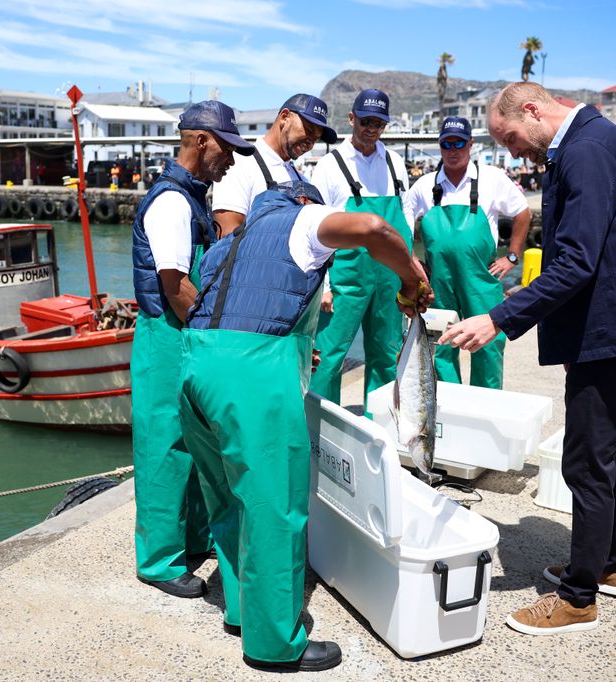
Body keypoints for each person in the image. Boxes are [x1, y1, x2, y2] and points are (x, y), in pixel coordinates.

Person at [440, 82, 616, 635]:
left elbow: (575, 261)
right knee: (599, 453)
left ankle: (578, 599)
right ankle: (610, 565)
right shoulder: (587, 144)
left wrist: (497, 318)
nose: (512, 152)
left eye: (510, 138)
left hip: (615, 327)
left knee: (584, 461)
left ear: (532, 110)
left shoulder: (586, 150)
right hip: (613, 324)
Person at [180, 181, 431, 671]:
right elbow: (375, 228)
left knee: (229, 503)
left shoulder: (232, 240)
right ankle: (274, 644)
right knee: (276, 508)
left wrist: (295, 347)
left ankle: (242, 610)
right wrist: (409, 279)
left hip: (196, 368)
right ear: (305, 203)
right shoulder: (302, 220)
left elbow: (240, 311)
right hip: (251, 379)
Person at [130, 100, 255, 599]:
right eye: (227, 148)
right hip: (167, 335)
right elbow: (176, 285)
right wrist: (216, 335)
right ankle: (159, 562)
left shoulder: (193, 197)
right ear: (201, 141)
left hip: (181, 334)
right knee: (166, 446)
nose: (232, 160)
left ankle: (192, 540)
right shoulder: (172, 202)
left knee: (197, 440)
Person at [402, 116, 531, 389]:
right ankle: (447, 406)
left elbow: (522, 212)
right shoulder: (424, 185)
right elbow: (402, 221)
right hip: (438, 280)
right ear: (440, 146)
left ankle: (488, 407)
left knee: (488, 344)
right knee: (440, 344)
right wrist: (412, 259)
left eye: (459, 142)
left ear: (470, 144)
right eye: (446, 143)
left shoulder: (492, 178)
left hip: (480, 279)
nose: (453, 149)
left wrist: (513, 256)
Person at [309, 88, 411, 411]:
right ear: (351, 118)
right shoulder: (328, 166)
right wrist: (323, 286)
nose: (372, 129)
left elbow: (405, 217)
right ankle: (320, 436)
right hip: (343, 279)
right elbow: (315, 226)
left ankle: (379, 432)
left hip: (389, 277)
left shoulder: (395, 163)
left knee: (386, 354)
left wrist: (409, 275)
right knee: (329, 356)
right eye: (365, 120)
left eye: (379, 123)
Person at [212, 93, 337, 235]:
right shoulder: (241, 164)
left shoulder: (301, 180)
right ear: (285, 117)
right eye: (308, 130)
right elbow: (226, 238)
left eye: (316, 139)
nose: (310, 143)